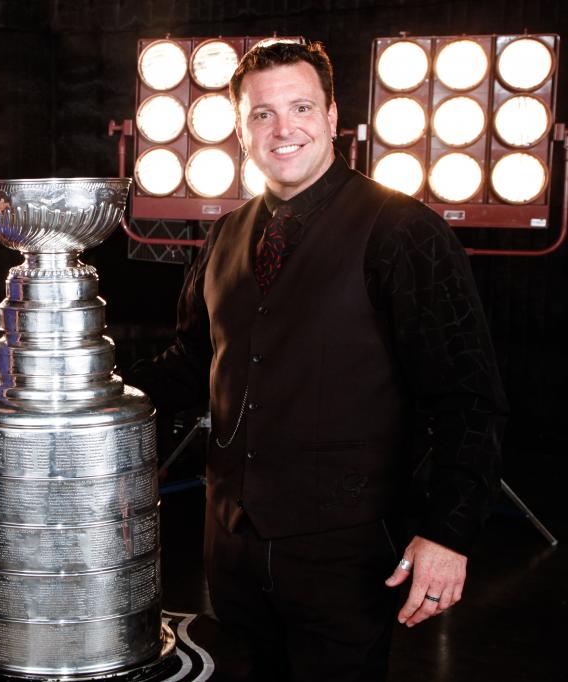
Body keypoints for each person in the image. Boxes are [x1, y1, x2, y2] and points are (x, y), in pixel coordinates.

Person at [129, 40, 507, 681]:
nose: (283, 129)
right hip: (233, 549)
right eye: (262, 114)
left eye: (301, 107)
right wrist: (84, 384)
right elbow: (191, 366)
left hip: (347, 552)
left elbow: (467, 396)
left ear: (334, 118)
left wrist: (448, 533)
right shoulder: (224, 235)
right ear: (242, 129)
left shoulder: (402, 230)